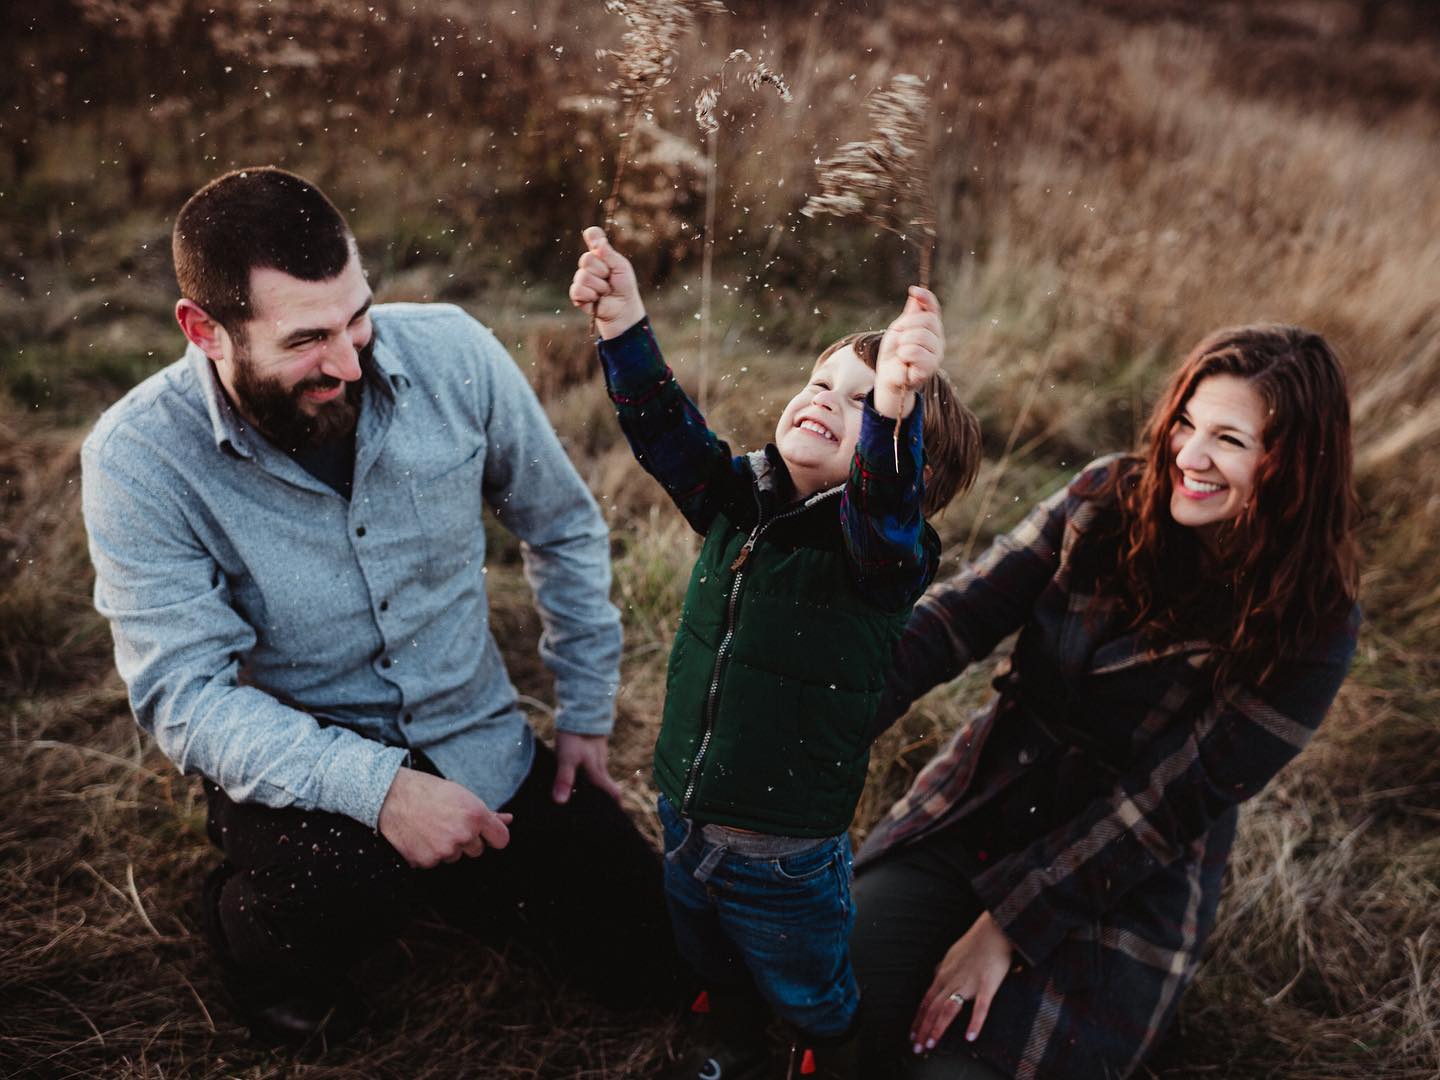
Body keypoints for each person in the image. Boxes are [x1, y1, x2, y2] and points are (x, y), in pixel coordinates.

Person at [80, 167, 679, 1047]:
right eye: (307, 340)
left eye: (358, 316)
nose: (350, 362)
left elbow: (562, 526)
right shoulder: (136, 459)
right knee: (335, 889)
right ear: (203, 330)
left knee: (651, 961)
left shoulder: (454, 353)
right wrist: (381, 791)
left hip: (480, 740)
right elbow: (185, 697)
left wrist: (585, 712)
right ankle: (255, 943)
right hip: (304, 779)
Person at [849, 325, 1362, 1078]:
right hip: (989, 797)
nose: (1189, 456)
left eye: (1229, 440)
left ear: (1292, 464)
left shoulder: (1315, 621)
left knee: (956, 1073)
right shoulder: (1105, 497)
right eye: (1186, 423)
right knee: (835, 1002)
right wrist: (821, 716)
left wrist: (1006, 927)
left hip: (1121, 882)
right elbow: (956, 619)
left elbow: (1164, 810)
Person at [568, 227, 982, 1079]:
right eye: (821, 380)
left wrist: (897, 416)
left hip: (782, 850)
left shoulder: (881, 556)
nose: (828, 399)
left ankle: (827, 1047)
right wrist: (623, 328)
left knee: (804, 977)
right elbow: (664, 431)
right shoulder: (739, 499)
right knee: (706, 948)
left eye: (863, 400)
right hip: (684, 806)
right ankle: (730, 1031)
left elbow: (885, 501)